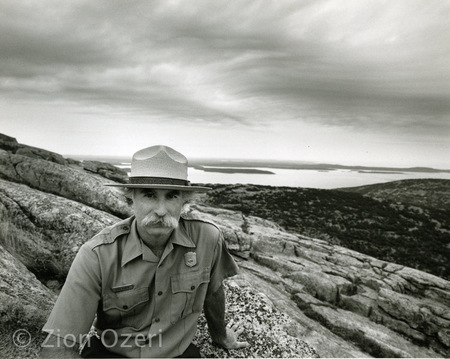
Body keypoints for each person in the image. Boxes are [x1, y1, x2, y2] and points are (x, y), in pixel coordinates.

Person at [40, 145, 248, 358]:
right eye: (149, 195)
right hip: (113, 353)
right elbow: (59, 345)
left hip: (175, 353)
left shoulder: (208, 238)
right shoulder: (97, 254)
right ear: (131, 198)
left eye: (171, 196)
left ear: (185, 201)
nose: (160, 210)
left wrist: (220, 335)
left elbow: (213, 291)